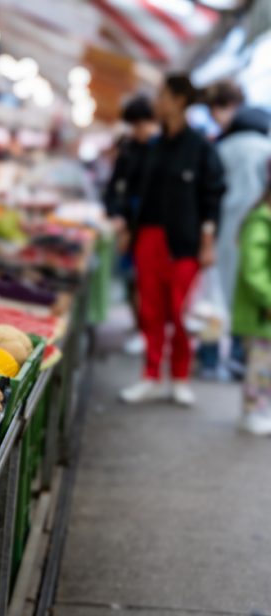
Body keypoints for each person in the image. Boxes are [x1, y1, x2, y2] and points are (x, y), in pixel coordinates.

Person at [120, 74, 226, 406]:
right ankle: (151, 375)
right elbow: (133, 190)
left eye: (162, 95)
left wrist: (208, 242)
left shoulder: (202, 148)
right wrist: (127, 228)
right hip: (148, 237)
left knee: (181, 313)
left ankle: (180, 377)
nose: (157, 102)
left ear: (179, 99)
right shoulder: (153, 147)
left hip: (185, 243)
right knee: (150, 311)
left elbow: (212, 197)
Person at [206, 80, 271, 378]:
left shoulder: (222, 148)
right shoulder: (266, 147)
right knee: (246, 296)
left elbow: (211, 192)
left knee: (214, 297)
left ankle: (209, 362)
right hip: (255, 227)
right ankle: (240, 360)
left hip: (224, 231)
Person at [104, 96, 158, 355]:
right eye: (134, 126)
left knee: (144, 282)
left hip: (148, 225)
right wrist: (117, 216)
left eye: (141, 124)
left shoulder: (160, 150)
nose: (138, 131)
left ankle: (147, 331)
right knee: (132, 281)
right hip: (129, 222)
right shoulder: (129, 150)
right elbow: (114, 188)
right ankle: (141, 326)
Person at [232, 184, 271, 435]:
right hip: (261, 312)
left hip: (263, 309)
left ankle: (258, 410)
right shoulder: (260, 223)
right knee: (260, 366)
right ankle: (254, 411)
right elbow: (253, 270)